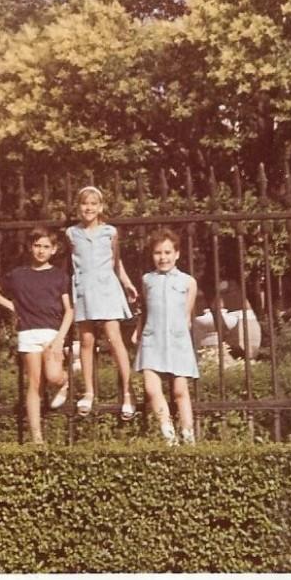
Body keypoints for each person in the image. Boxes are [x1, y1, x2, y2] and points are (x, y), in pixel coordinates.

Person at [0, 226, 73, 444]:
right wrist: (12, 306)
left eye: (46, 247)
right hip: (28, 333)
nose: (41, 251)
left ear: (54, 249)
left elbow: (69, 311)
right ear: (30, 247)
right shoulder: (18, 275)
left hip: (52, 333)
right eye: (37, 246)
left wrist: (59, 339)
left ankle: (66, 381)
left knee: (53, 376)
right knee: (35, 384)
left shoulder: (60, 276)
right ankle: (37, 438)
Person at [66, 186, 138, 420]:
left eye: (93, 204)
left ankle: (128, 393)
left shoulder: (109, 232)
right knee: (86, 340)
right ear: (78, 207)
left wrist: (127, 283)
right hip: (84, 289)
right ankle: (88, 392)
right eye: (84, 203)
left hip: (106, 287)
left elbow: (116, 262)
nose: (88, 208)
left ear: (100, 207)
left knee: (114, 339)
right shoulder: (71, 233)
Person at [132, 228, 199, 444]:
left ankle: (188, 436)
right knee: (151, 388)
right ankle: (168, 435)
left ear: (177, 254)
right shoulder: (147, 280)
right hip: (152, 339)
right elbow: (145, 309)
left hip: (177, 340)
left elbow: (187, 315)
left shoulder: (188, 282)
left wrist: (181, 334)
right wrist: (138, 330)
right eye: (158, 253)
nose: (163, 258)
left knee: (179, 391)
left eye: (168, 252)